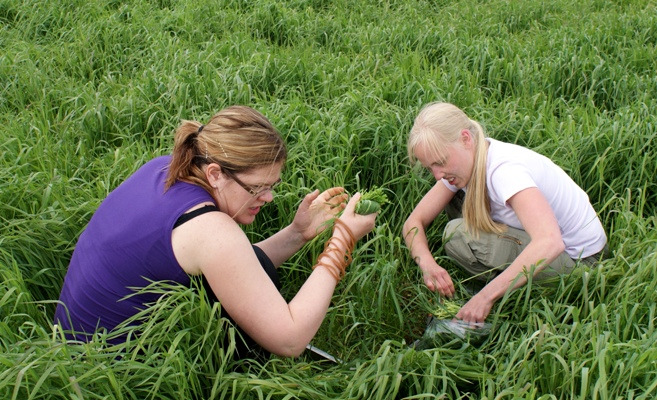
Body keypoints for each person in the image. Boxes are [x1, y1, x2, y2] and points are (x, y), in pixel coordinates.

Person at [55, 105, 377, 358]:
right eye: (257, 188)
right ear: (216, 174)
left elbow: (234, 265)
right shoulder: (210, 230)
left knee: (257, 269)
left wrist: (298, 232)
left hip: (72, 346)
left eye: (272, 186)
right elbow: (291, 340)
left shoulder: (166, 167)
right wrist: (342, 240)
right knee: (258, 302)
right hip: (114, 373)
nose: (268, 198)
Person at [402, 102, 608, 323]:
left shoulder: (505, 171)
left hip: (583, 265)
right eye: (430, 167)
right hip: (557, 249)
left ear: (465, 139)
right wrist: (427, 264)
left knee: (459, 235)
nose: (437, 175)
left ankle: (501, 295)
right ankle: (508, 285)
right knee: (455, 203)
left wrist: (485, 297)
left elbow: (550, 242)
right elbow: (414, 222)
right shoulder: (469, 159)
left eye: (440, 163)